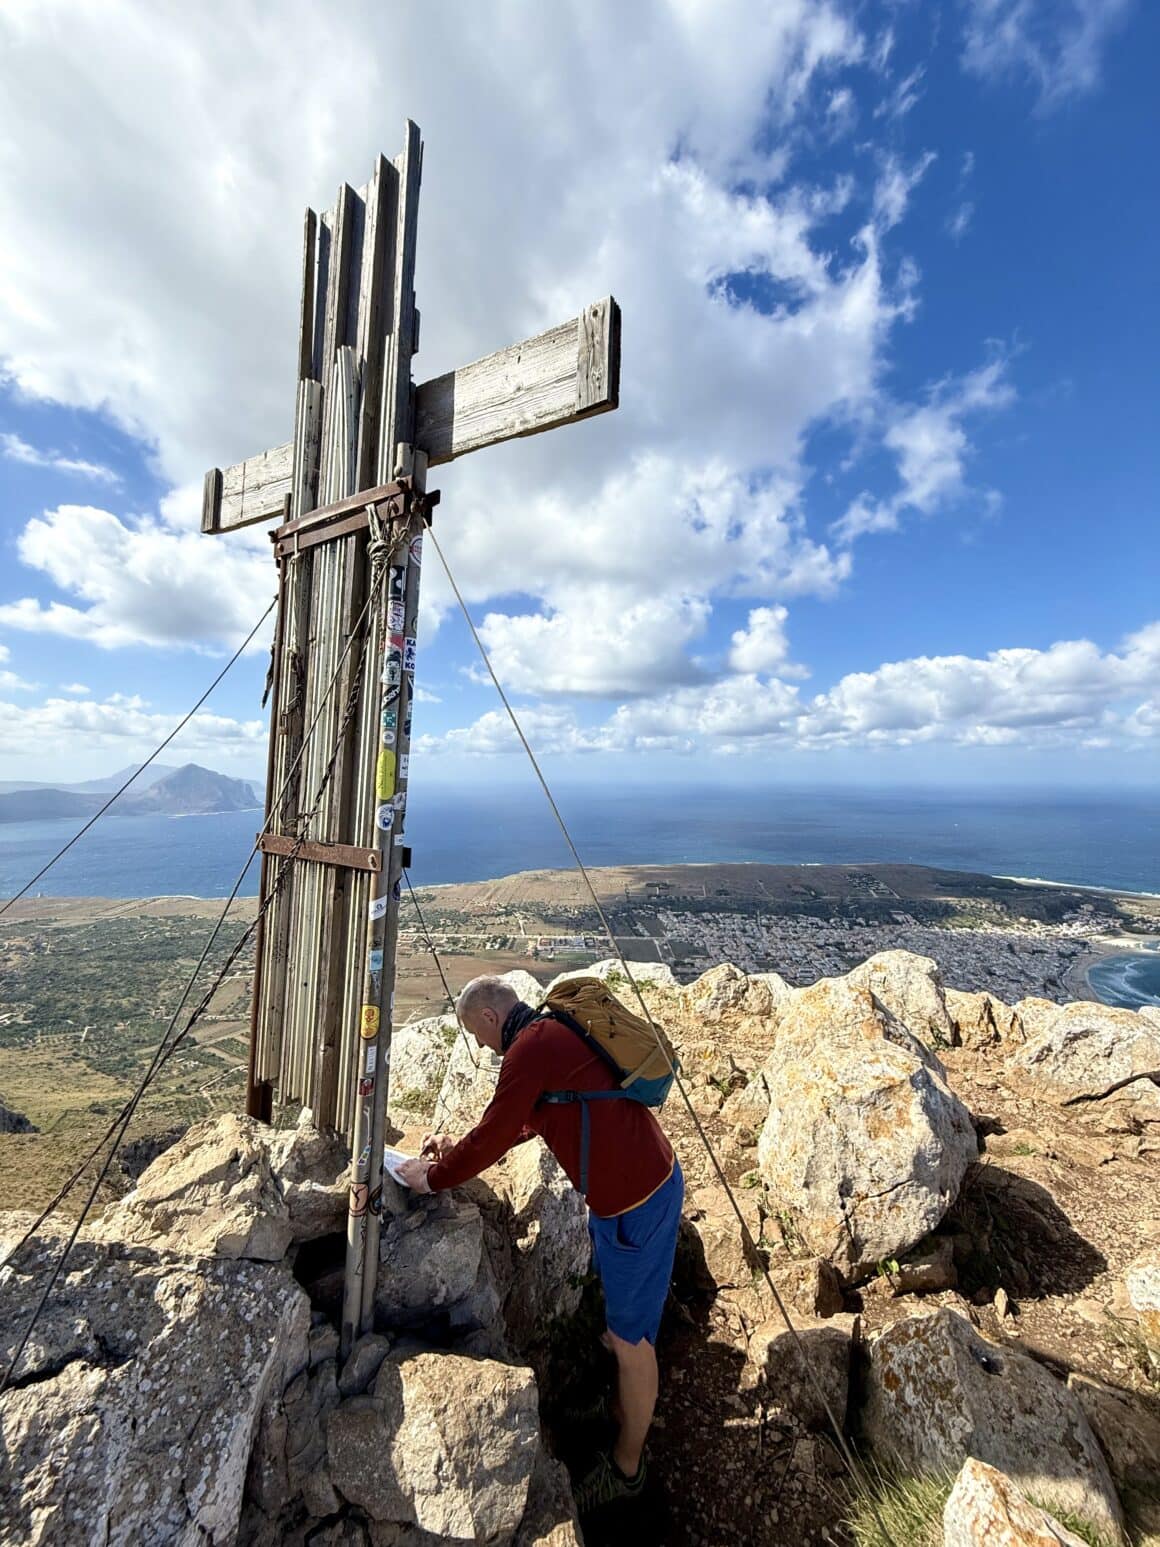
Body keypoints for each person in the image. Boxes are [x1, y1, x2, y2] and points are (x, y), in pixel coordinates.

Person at [397, 974, 683, 1515]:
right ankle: (619, 1410)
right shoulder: (551, 1031)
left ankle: (628, 1469)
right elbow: (526, 1119)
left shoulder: (529, 1048)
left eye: (481, 1039)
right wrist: (458, 1148)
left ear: (488, 1017)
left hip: (637, 1206)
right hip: (635, 1192)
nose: (485, 1048)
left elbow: (505, 1122)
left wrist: (431, 1179)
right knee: (621, 1331)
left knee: (630, 1344)